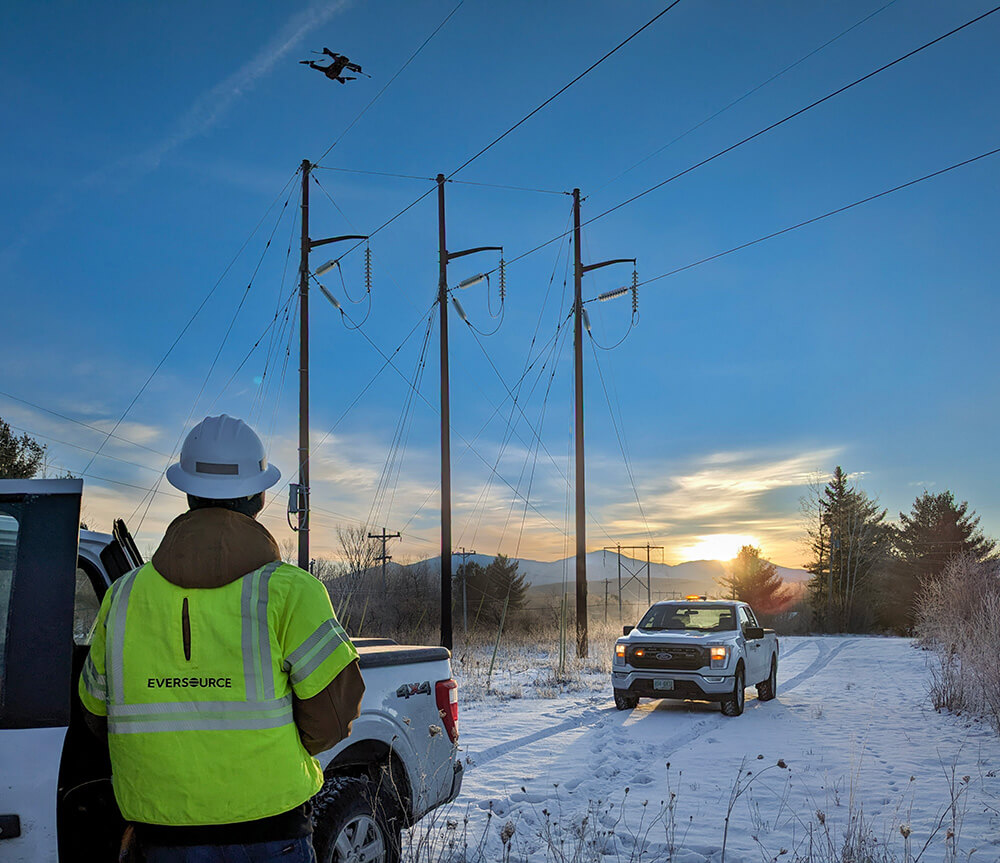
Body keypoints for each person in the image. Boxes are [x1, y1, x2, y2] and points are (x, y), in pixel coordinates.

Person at [79, 414, 365, 862]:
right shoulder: (292, 592)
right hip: (272, 833)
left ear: (188, 492)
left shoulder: (123, 597)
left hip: (157, 837)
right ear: (259, 496)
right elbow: (332, 717)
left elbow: (96, 714)